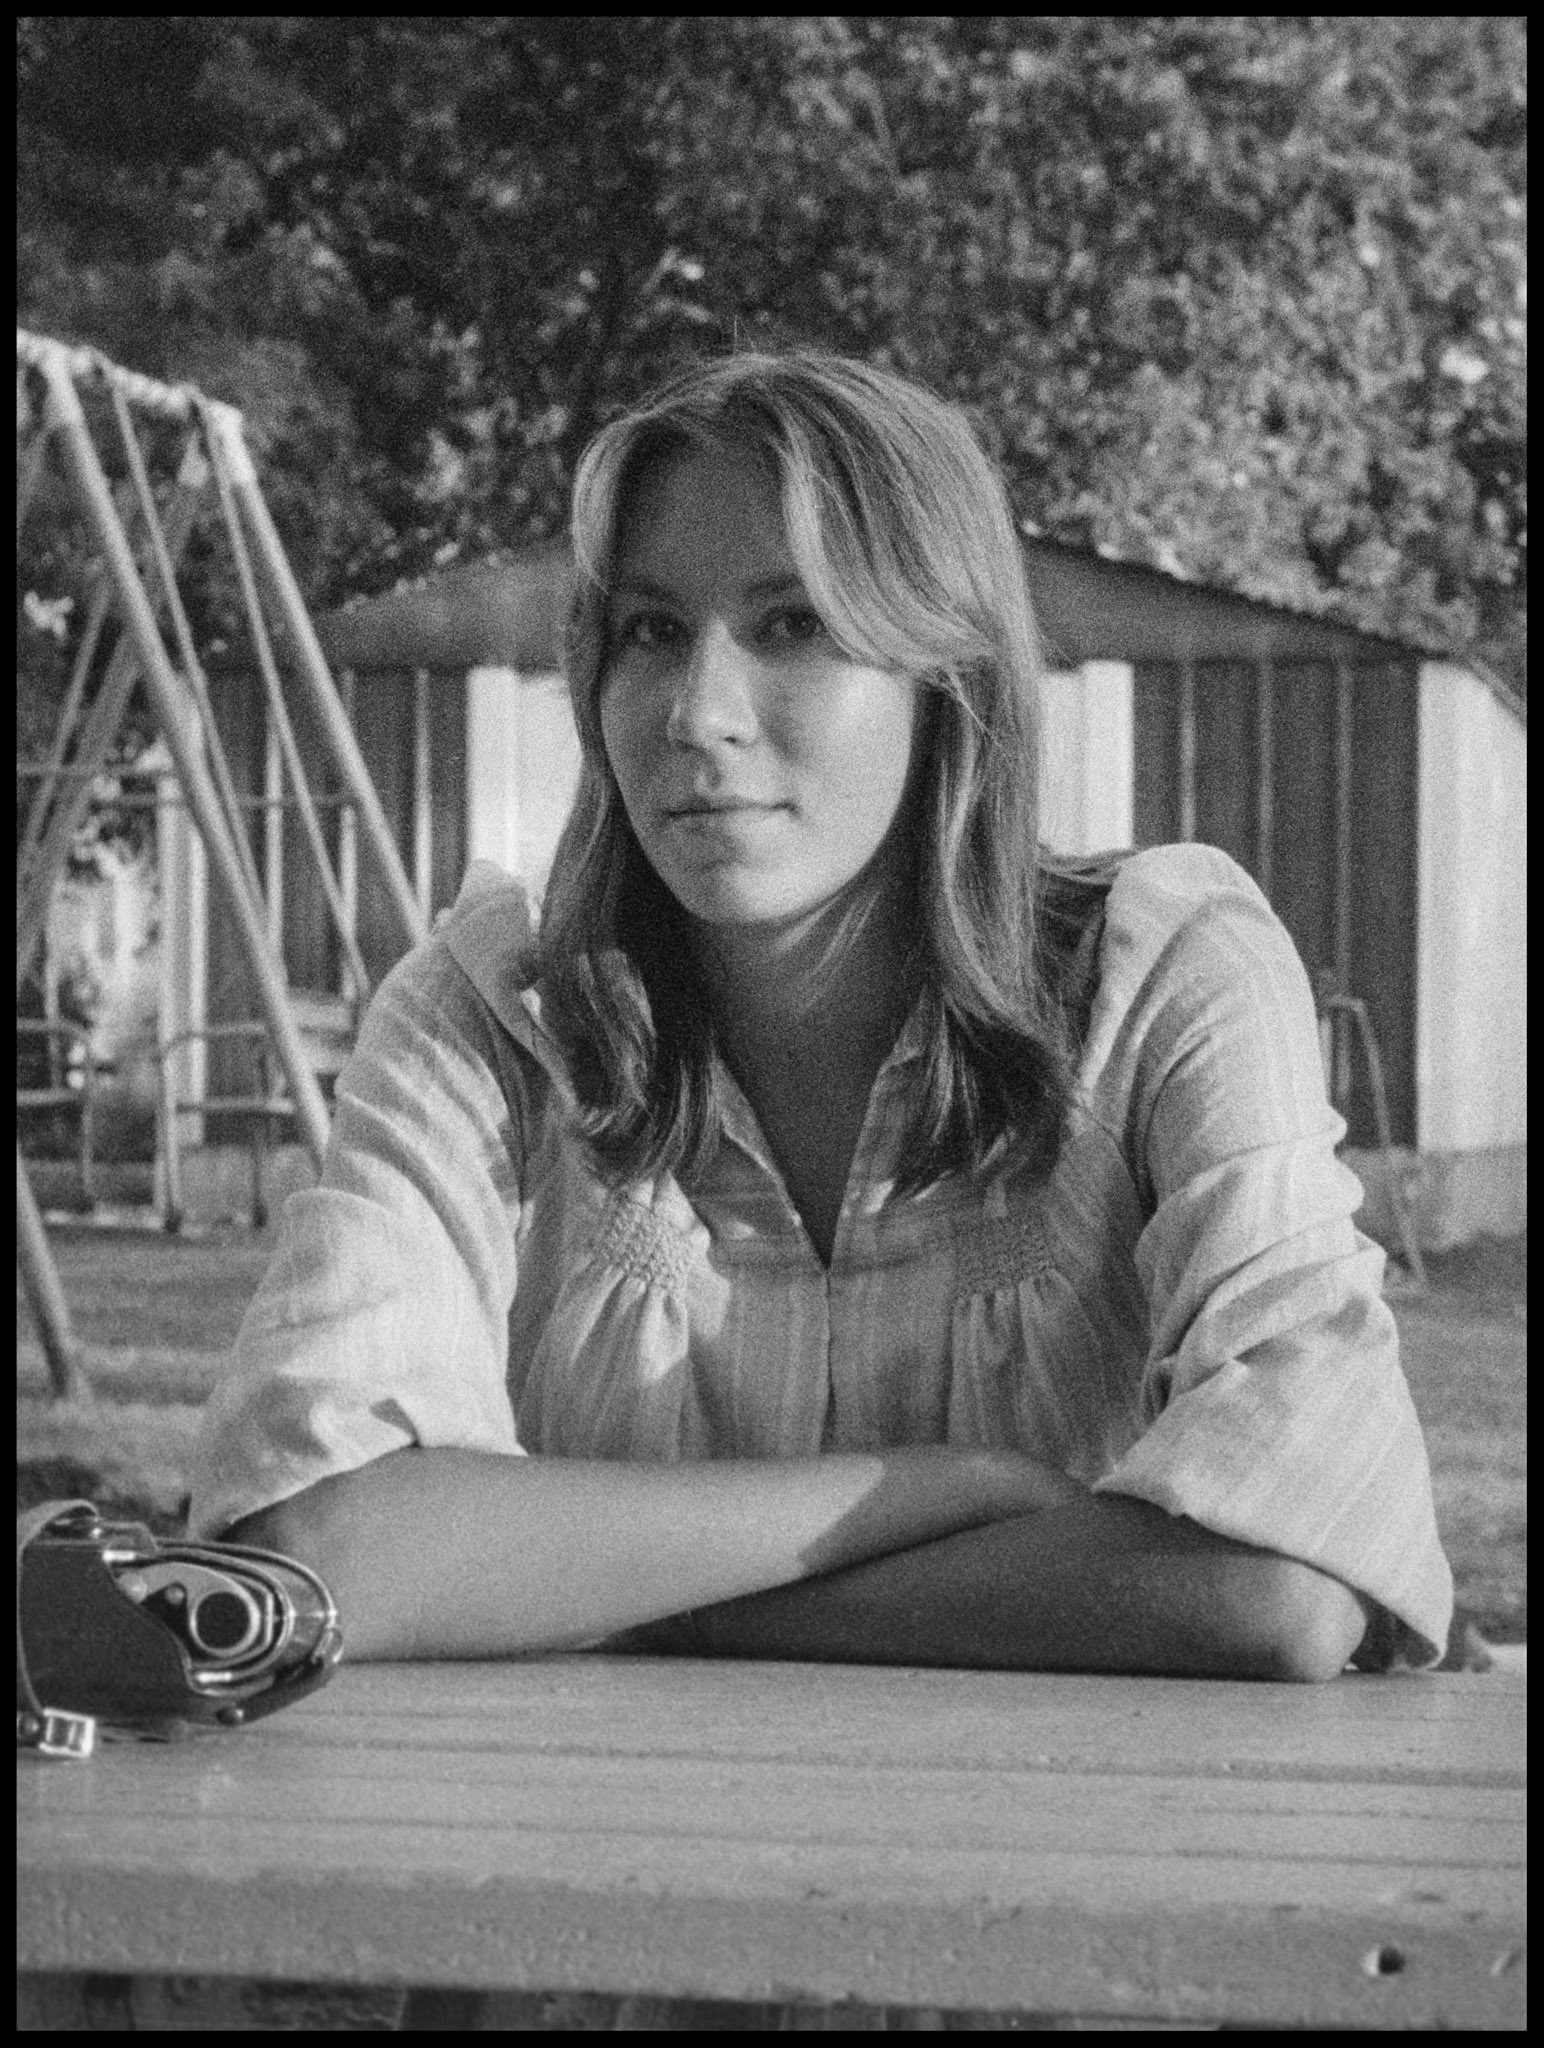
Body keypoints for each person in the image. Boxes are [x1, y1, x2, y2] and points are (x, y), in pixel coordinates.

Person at [188, 349, 1452, 1680]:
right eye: (651, 630)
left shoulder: (1165, 978)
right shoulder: (494, 1017)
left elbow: (1280, 1585)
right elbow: (317, 1550)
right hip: (602, 1813)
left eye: (792, 625)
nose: (697, 714)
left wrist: (606, 1594)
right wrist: (943, 1489)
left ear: (947, 674)